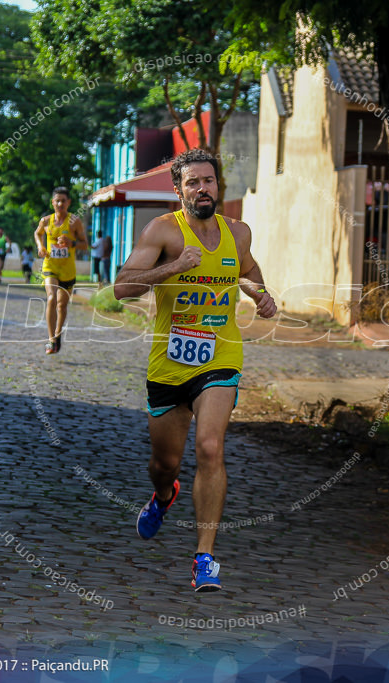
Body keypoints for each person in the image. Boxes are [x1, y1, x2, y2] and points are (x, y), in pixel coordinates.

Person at [113, 149, 277, 592]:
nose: (202, 188)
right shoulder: (163, 231)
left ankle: (205, 557)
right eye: (192, 182)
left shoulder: (237, 232)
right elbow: (122, 288)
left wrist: (260, 294)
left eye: (209, 180)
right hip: (169, 365)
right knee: (163, 463)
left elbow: (247, 269)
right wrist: (175, 267)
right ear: (178, 190)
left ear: (218, 185)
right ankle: (164, 496)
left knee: (209, 447)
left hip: (220, 357)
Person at [34, 187, 88, 354]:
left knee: (62, 305)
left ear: (68, 203)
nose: (60, 204)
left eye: (63, 201)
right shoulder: (45, 221)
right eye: (57, 200)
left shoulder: (75, 222)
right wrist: (40, 246)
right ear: (52, 202)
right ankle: (51, 339)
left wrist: (71, 242)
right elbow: (37, 233)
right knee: (51, 298)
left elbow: (85, 245)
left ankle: (58, 335)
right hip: (50, 266)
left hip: (68, 271)